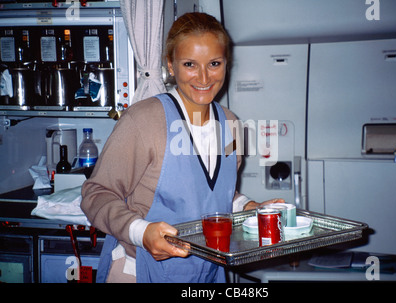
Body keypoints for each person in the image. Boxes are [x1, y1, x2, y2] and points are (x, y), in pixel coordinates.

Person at [81, 12, 283, 283]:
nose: (203, 77)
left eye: (214, 63)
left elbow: (215, 193)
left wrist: (248, 206)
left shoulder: (232, 124)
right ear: (171, 66)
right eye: (190, 64)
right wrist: (142, 232)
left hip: (206, 271)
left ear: (226, 64)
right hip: (141, 268)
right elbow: (96, 194)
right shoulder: (143, 120)